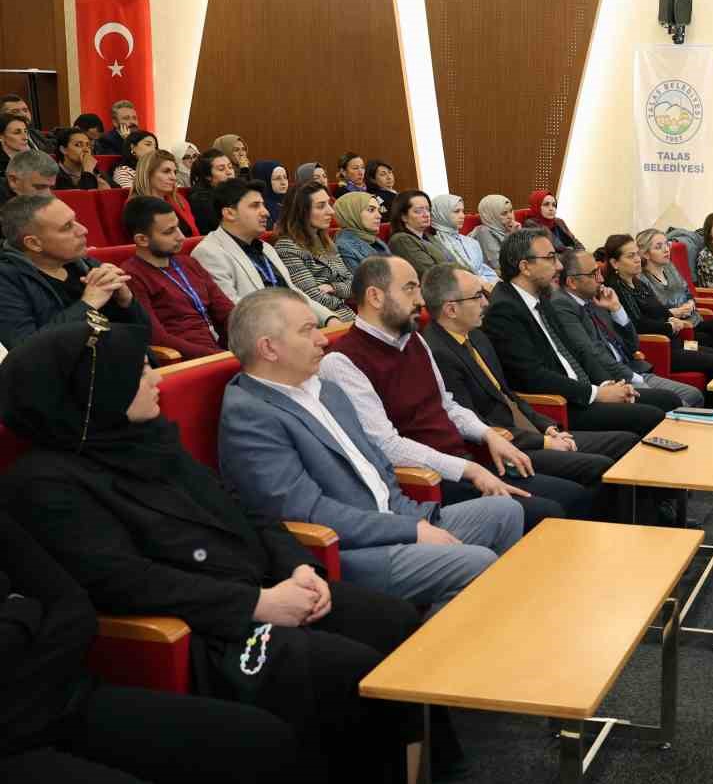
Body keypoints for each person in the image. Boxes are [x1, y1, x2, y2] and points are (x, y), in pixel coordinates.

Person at [0, 321, 431, 784]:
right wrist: (255, 604)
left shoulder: (148, 439)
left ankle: (421, 781)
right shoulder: (46, 484)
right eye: (139, 372)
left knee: (395, 619)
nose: (157, 380)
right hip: (206, 625)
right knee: (348, 667)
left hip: (264, 584)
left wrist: (298, 567)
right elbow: (124, 581)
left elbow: (246, 510)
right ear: (95, 392)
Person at [0, 507, 299, 784]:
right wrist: (26, 614)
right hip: (13, 744)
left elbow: (73, 608)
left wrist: (20, 623)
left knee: (263, 742)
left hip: (52, 696)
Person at [219, 287, 523, 610]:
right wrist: (409, 530)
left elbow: (379, 466)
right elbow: (306, 511)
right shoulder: (249, 415)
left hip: (395, 518)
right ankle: (447, 638)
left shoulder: (327, 390)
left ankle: (495, 616)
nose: (323, 340)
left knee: (505, 512)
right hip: (350, 549)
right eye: (307, 330)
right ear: (268, 348)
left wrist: (411, 519)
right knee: (475, 562)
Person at [319, 256, 582, 532]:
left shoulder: (414, 340)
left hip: (464, 461)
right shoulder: (342, 362)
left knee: (573, 494)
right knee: (550, 512)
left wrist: (488, 434)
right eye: (410, 288)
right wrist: (468, 469)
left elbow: (447, 405)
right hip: (426, 483)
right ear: (375, 296)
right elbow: (387, 446)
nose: (420, 300)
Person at [421, 262, 637, 492]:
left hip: (528, 432)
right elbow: (475, 424)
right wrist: (544, 442)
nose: (485, 303)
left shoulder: (476, 336)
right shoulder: (438, 354)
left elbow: (508, 394)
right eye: (477, 297)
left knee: (626, 442)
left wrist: (546, 427)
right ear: (451, 310)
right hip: (503, 448)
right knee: (600, 467)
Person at [484, 228, 667, 437]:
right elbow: (533, 376)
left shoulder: (541, 298)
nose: (559, 266)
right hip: (560, 405)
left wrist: (607, 384)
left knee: (665, 400)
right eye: (551, 258)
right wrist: (597, 393)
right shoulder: (504, 310)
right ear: (525, 267)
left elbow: (575, 351)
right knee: (651, 415)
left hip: (582, 391)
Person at [551, 248, 701, 408]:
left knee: (694, 395)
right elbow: (591, 352)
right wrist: (634, 378)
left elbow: (632, 345)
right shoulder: (563, 306)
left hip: (632, 369)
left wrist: (617, 309)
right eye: (594, 273)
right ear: (572, 282)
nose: (601, 279)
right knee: (676, 403)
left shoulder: (596, 299)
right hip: (614, 382)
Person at [0, 195, 148, 351]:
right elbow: (26, 352)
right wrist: (88, 304)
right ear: (34, 243)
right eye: (67, 227)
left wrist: (126, 302)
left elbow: (144, 334)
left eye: (75, 220)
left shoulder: (86, 264)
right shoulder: (7, 281)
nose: (84, 230)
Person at [192, 178, 341, 324]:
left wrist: (328, 318)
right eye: (255, 206)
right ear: (229, 213)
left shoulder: (265, 247)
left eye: (263, 205)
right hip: (263, 332)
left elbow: (293, 292)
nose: (266, 212)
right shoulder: (209, 253)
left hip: (294, 323)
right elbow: (233, 311)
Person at [600, 234, 713, 382]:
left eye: (637, 254)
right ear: (615, 263)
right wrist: (669, 326)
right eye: (631, 256)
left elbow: (660, 310)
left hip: (678, 343)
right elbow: (637, 324)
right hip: (661, 350)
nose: (638, 259)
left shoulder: (638, 283)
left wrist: (672, 318)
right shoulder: (615, 290)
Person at [121, 195, 233, 360]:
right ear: (142, 240)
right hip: (187, 361)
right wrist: (220, 357)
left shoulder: (189, 263)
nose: (181, 236)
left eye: (178, 227)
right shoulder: (132, 276)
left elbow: (226, 311)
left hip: (222, 352)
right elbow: (158, 338)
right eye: (169, 231)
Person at [636, 227, 713, 354]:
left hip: (695, 322)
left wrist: (691, 303)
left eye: (666, 244)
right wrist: (674, 313)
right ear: (646, 254)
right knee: (712, 341)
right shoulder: (642, 280)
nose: (666, 249)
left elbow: (688, 293)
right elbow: (653, 315)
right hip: (680, 337)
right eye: (658, 247)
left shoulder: (669, 267)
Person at [273, 183, 356, 322]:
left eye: (328, 204)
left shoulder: (325, 242)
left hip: (347, 315)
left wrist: (333, 288)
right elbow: (312, 297)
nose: (331, 211)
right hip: (323, 321)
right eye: (321, 206)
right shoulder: (287, 248)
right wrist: (342, 298)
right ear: (301, 212)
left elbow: (354, 284)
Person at [431, 193, 496, 284]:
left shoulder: (471, 242)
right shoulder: (435, 243)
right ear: (442, 214)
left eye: (462, 211)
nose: (462, 216)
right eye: (456, 211)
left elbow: (483, 270)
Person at [130, 149, 197, 236]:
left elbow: (195, 234)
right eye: (166, 171)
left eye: (174, 172)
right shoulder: (136, 206)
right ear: (147, 174)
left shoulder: (179, 200)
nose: (173, 177)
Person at [387, 189, 451, 278]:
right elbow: (432, 274)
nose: (426, 214)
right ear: (403, 217)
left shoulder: (428, 236)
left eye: (428, 209)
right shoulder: (401, 240)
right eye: (418, 211)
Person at [334, 190, 390, 273]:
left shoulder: (372, 239)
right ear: (352, 213)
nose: (379, 216)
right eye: (371, 210)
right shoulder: (343, 247)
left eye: (378, 210)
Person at [187, 148, 236, 235]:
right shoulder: (201, 199)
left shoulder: (230, 190)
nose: (229, 172)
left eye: (230, 167)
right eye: (221, 169)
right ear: (208, 176)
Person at [53, 127, 106, 191]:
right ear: (63, 150)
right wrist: (88, 172)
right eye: (78, 145)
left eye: (88, 145)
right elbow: (83, 196)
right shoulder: (54, 176)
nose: (86, 150)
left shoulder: (96, 171)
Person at [472, 194, 517, 265]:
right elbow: (497, 265)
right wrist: (514, 237)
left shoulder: (510, 229)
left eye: (511, 211)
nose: (510, 216)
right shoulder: (484, 232)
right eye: (504, 213)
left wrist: (518, 234)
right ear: (490, 215)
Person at [252, 160, 290, 224]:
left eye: (285, 177)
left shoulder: (292, 201)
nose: (283, 182)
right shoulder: (261, 208)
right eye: (277, 178)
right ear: (265, 181)